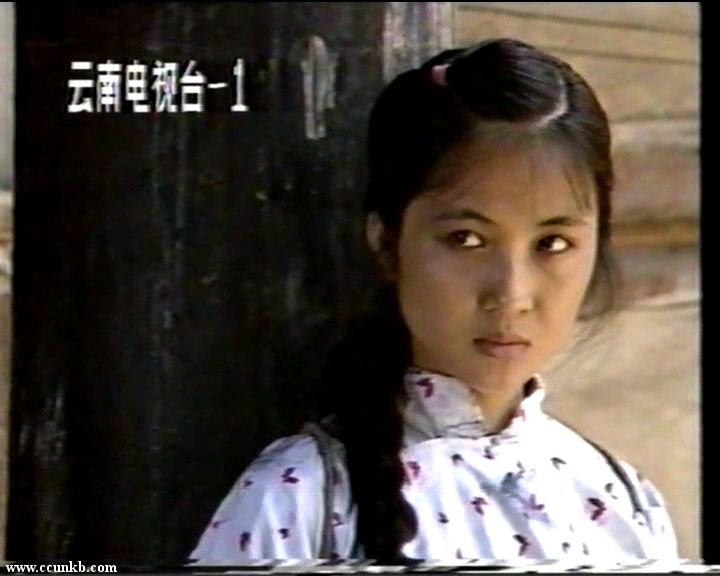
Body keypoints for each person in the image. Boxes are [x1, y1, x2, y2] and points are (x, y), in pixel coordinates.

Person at [188, 38, 678, 565]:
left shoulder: (621, 501)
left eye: (552, 244)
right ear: (386, 242)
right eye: (466, 239)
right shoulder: (297, 502)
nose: (511, 295)